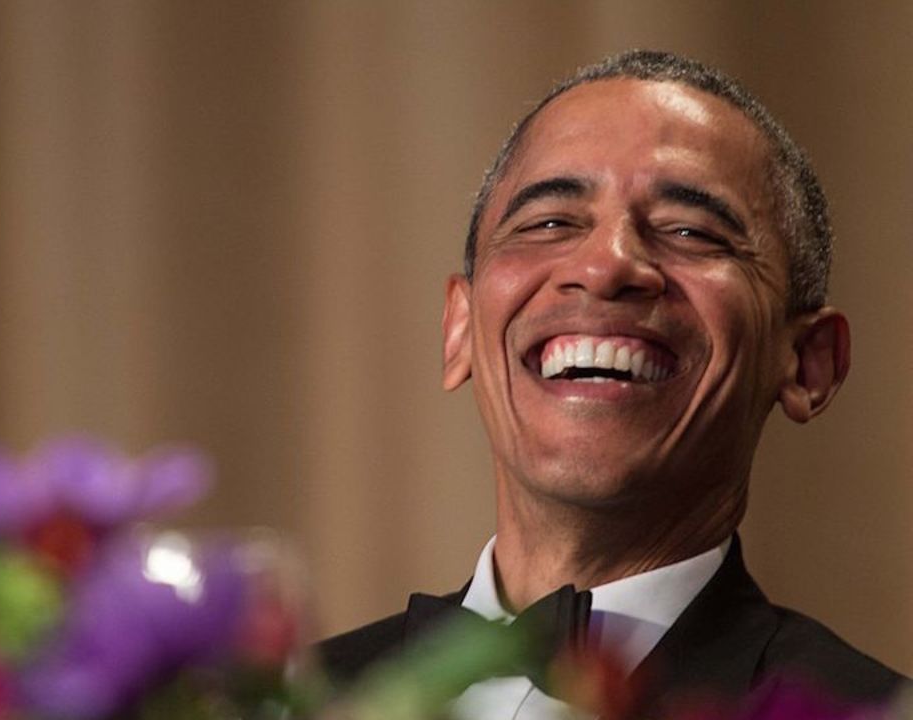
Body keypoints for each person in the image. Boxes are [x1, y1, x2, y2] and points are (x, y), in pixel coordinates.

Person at [317, 49, 905, 719]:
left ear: (808, 364)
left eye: (690, 231)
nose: (606, 265)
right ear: (458, 328)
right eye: (550, 223)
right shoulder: (271, 702)